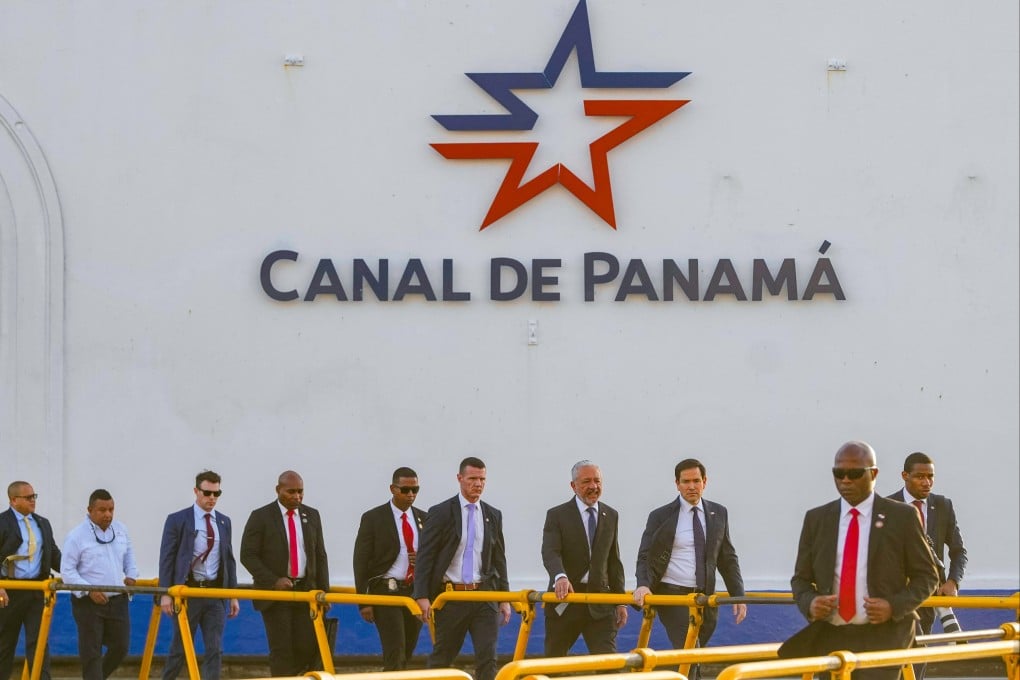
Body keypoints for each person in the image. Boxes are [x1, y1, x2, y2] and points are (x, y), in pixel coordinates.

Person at [782, 441, 939, 680]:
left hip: (883, 639)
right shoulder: (817, 519)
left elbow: (927, 577)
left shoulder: (902, 517)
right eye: (839, 473)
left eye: (854, 474)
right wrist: (810, 603)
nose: (845, 480)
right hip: (831, 638)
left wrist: (893, 606)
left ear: (873, 474)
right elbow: (800, 580)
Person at [633, 458, 747, 677]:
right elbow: (645, 555)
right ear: (677, 484)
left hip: (705, 599)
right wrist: (643, 584)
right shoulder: (660, 516)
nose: (691, 486)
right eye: (686, 482)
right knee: (690, 654)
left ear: (705, 482)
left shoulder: (719, 513)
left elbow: (727, 558)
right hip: (673, 597)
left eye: (696, 481)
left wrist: (738, 595)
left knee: (691, 658)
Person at [413, 457, 511, 680]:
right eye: (472, 478)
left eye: (482, 479)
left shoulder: (493, 515)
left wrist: (504, 598)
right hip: (451, 597)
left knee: (488, 657)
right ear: (460, 478)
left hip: (484, 596)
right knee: (443, 655)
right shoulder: (441, 512)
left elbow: (499, 559)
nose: (478, 484)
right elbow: (425, 556)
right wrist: (421, 595)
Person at [240, 470, 330, 676]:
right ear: (278, 490)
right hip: (276, 596)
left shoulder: (312, 515)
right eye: (291, 492)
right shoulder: (261, 517)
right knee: (282, 650)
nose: (297, 496)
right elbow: (248, 555)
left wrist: (324, 592)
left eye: (300, 491)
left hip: (306, 593)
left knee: (307, 647)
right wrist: (273, 581)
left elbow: (320, 555)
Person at [158, 470, 240, 680]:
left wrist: (233, 594)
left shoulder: (224, 522)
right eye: (207, 493)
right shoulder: (178, 520)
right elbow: (167, 558)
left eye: (216, 493)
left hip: (215, 594)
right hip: (188, 593)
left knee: (215, 648)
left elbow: (229, 559)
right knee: (180, 648)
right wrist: (165, 593)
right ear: (196, 491)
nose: (212, 498)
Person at [541, 460, 627, 657]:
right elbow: (550, 552)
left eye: (597, 481)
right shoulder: (557, 515)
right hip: (566, 600)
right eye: (586, 481)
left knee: (608, 665)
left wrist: (621, 601)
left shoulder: (611, 515)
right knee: (553, 664)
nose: (593, 486)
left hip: (600, 603)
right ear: (573, 485)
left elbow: (613, 561)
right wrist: (560, 576)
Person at [353, 467, 428, 670]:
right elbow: (361, 561)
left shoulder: (424, 518)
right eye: (405, 490)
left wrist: (421, 560)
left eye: (415, 490)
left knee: (408, 649)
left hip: (413, 592)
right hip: (386, 592)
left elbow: (433, 556)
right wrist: (364, 601)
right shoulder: (374, 518)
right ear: (393, 489)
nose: (411, 494)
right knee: (395, 649)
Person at [60, 489, 138, 680]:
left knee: (121, 647)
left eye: (111, 509)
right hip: (88, 603)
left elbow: (129, 556)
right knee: (91, 652)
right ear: (90, 510)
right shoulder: (76, 536)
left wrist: (131, 575)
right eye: (102, 510)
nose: (108, 514)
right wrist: (89, 590)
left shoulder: (121, 530)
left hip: (117, 600)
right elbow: (67, 571)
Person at [887, 451, 968, 633]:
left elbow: (959, 551)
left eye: (930, 477)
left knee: (922, 646)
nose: (926, 482)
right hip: (897, 595)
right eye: (920, 477)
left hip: (930, 593)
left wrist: (953, 581)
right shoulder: (888, 506)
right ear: (905, 476)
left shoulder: (942, 505)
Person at [0, 481, 61, 680]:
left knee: (39, 643)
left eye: (34, 496)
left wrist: (77, 572)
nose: (33, 500)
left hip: (37, 590)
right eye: (28, 497)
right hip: (9, 591)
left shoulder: (42, 523)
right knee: (5, 643)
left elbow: (53, 554)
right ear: (13, 500)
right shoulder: (2, 522)